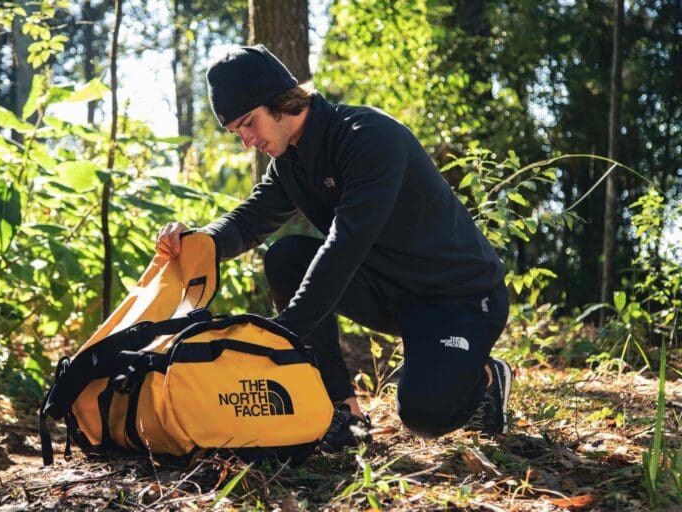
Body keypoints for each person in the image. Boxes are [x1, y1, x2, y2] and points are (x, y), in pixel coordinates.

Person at [155, 44, 512, 452]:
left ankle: (484, 377)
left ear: (278, 101)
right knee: (286, 257)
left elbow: (345, 245)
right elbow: (249, 222)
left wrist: (281, 337)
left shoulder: (368, 138)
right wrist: (197, 241)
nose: (247, 142)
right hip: (393, 296)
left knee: (423, 414)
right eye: (238, 132)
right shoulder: (290, 164)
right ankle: (343, 413)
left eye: (248, 123)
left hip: (460, 299)